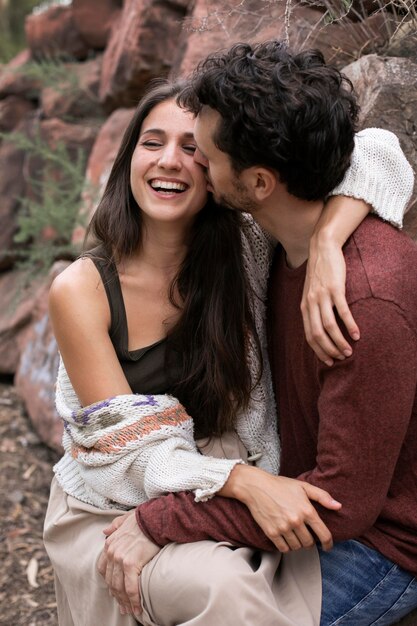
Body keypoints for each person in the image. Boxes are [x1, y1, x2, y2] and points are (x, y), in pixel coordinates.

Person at [43, 73, 412, 626]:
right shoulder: (84, 288)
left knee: (223, 592)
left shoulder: (250, 242)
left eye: (194, 149)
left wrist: (329, 242)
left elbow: (377, 149)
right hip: (113, 493)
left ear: (224, 174)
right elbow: (126, 452)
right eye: (151, 142)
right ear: (127, 159)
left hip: (225, 493)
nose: (170, 160)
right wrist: (241, 482)